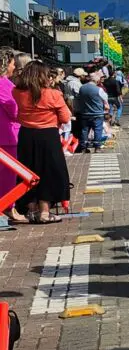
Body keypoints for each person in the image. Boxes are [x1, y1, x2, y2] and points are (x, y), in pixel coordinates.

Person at [13, 61, 72, 224]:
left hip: (26, 135)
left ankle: (31, 210)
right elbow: (65, 117)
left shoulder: (17, 92)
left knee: (28, 172)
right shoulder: (53, 94)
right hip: (48, 136)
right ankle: (45, 212)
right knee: (49, 172)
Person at [0, 49, 25, 226]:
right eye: (12, 63)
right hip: (6, 136)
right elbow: (14, 110)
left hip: (7, 134)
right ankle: (8, 207)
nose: (14, 67)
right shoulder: (3, 84)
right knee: (7, 175)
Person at [75, 71, 110, 153]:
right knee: (98, 130)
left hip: (85, 113)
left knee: (84, 130)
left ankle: (83, 147)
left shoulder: (82, 88)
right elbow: (105, 98)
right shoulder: (99, 89)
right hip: (97, 113)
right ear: (97, 81)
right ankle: (97, 147)